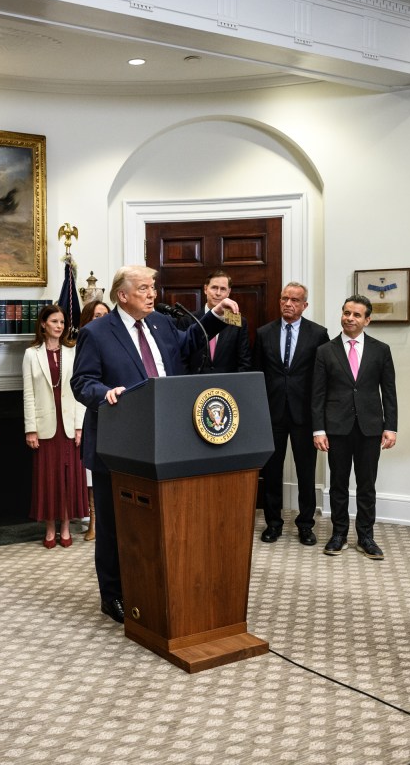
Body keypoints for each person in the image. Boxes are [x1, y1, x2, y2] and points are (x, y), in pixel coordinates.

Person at [71, 265, 236, 624]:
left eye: (153, 288)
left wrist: (217, 318)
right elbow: (82, 382)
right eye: (144, 288)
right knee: (116, 525)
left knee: (158, 520)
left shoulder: (161, 324)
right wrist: (105, 392)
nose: (152, 294)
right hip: (118, 440)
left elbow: (190, 343)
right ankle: (112, 595)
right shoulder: (97, 333)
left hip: (166, 437)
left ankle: (153, 584)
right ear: (122, 295)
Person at [312, 294, 397, 560]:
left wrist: (391, 427)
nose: (350, 318)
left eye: (356, 315)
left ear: (367, 320)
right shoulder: (325, 351)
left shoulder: (380, 350)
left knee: (366, 485)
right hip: (336, 428)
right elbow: (318, 394)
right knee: (337, 484)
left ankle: (366, 537)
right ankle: (338, 535)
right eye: (346, 312)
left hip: (370, 428)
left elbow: (389, 392)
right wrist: (318, 430)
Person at [252, 281, 329, 546]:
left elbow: (322, 379)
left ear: (304, 305)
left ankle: (306, 525)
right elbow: (257, 374)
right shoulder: (264, 333)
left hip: (304, 415)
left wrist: (321, 418)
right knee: (272, 471)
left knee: (306, 472)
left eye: (295, 300)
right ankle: (273, 523)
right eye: (284, 298)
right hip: (272, 413)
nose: (288, 303)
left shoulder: (318, 334)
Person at [22, 305, 87, 547]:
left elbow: (80, 391)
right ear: (43, 324)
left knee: (69, 476)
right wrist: (30, 428)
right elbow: (28, 394)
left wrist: (80, 426)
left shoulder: (74, 352)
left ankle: (66, 526)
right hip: (45, 426)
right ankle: (50, 528)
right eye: (54, 321)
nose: (59, 326)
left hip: (70, 425)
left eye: (62, 322)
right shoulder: (31, 354)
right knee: (48, 478)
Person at [76, 300, 110, 541]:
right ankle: (93, 524)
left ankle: (97, 524)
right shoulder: (84, 342)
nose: (101, 320)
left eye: (105, 315)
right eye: (96, 315)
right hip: (89, 418)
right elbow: (81, 386)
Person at [182, 270, 251, 374]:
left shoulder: (237, 322)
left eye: (223, 289)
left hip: (227, 386)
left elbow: (244, 361)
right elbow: (182, 359)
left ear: (228, 292)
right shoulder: (188, 319)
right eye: (214, 287)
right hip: (195, 385)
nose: (218, 293)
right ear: (205, 289)